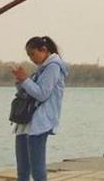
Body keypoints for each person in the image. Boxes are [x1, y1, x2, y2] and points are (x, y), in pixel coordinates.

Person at [12, 36, 70, 181]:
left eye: (33, 54)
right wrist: (21, 80)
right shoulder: (41, 70)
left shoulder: (53, 67)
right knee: (22, 169)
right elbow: (28, 92)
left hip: (39, 123)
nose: (31, 58)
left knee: (37, 170)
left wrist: (25, 80)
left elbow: (42, 94)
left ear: (43, 50)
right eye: (28, 55)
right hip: (26, 122)